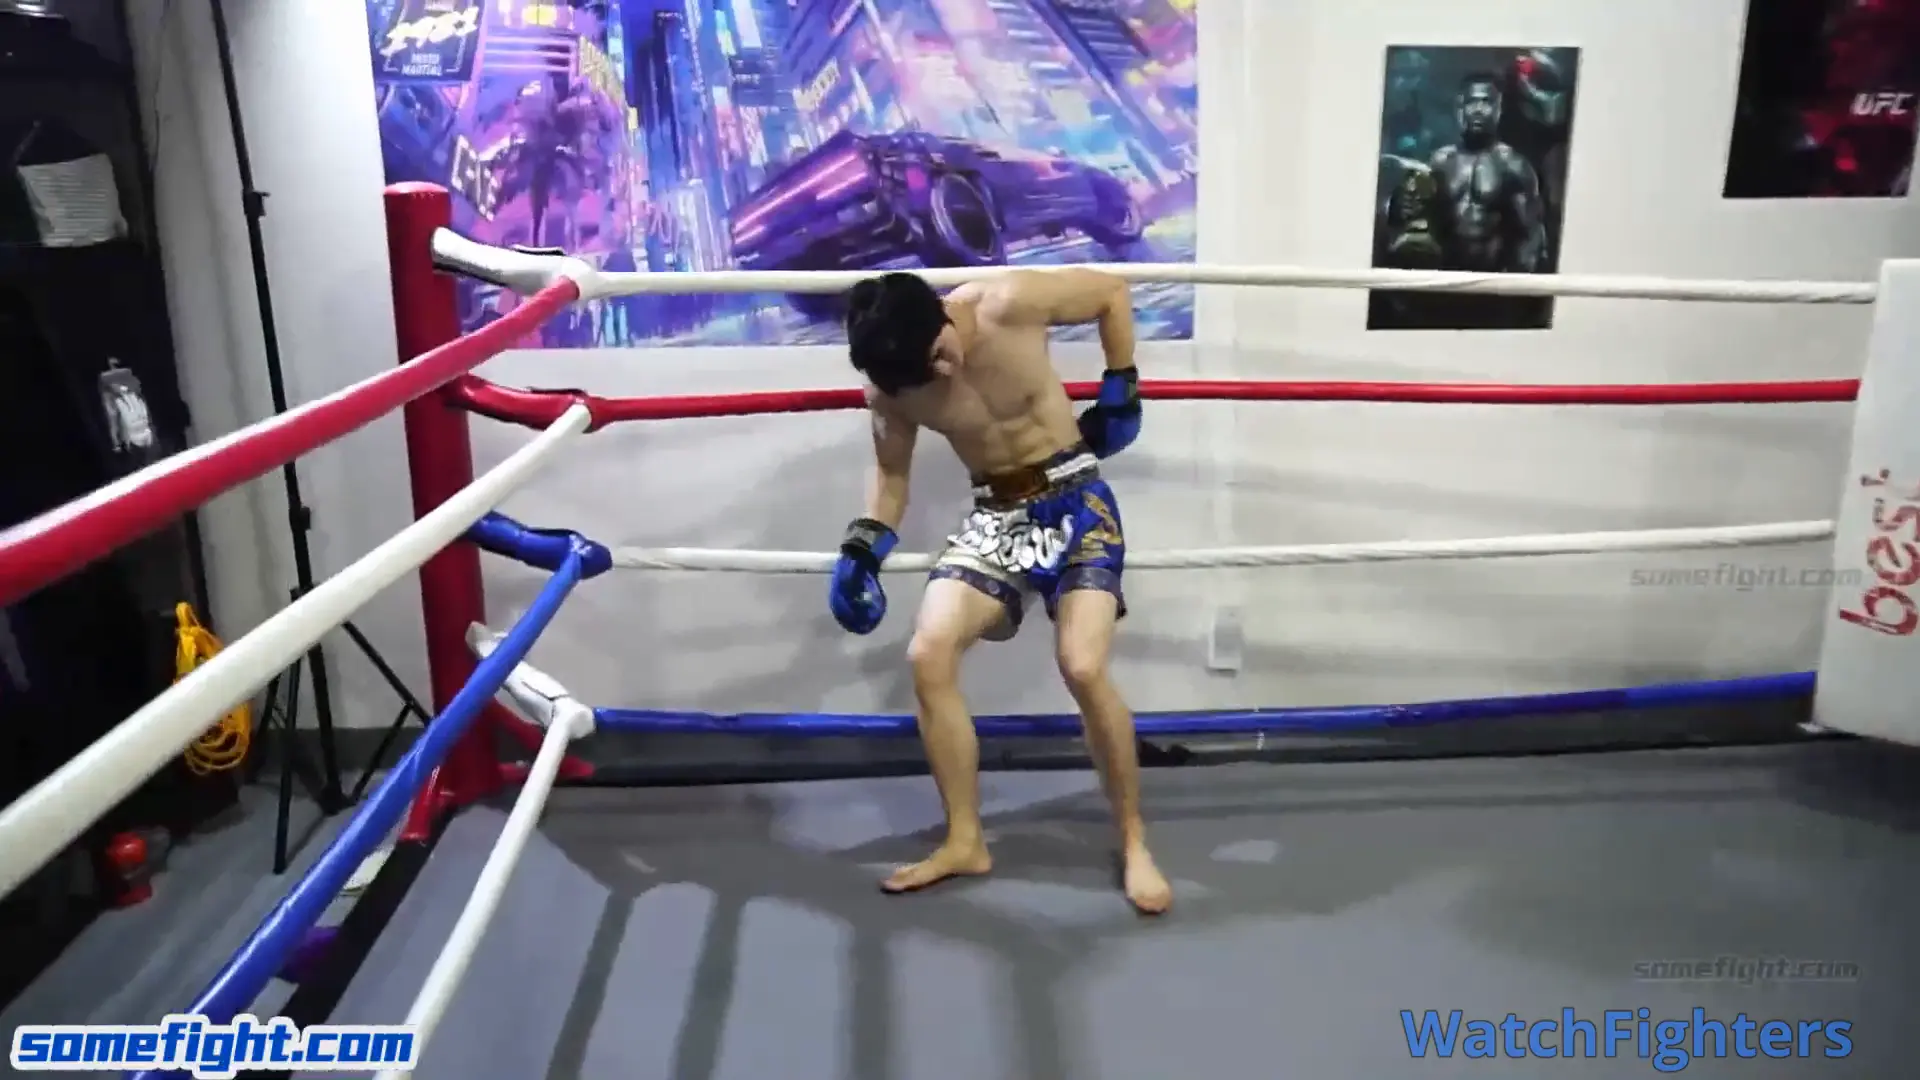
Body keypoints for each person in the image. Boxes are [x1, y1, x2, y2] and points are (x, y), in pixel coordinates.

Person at [827, 269, 1173, 916]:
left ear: (941, 313)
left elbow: (1111, 294)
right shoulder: (893, 388)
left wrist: (1121, 385)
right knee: (927, 654)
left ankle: (1134, 841)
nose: (943, 372)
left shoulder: (1007, 303)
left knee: (1083, 665)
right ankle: (965, 840)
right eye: (924, 373)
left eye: (939, 352)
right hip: (997, 517)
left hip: (1079, 501)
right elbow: (892, 476)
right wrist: (863, 547)